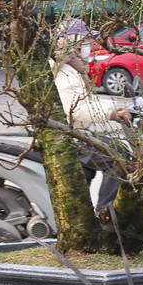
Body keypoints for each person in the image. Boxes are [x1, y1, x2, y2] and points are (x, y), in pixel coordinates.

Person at [52, 33, 133, 210]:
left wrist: (120, 108)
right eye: (84, 42)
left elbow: (89, 102)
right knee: (118, 158)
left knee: (119, 148)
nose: (88, 45)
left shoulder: (72, 69)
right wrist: (112, 113)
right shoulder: (63, 73)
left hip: (79, 134)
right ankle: (105, 213)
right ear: (73, 44)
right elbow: (76, 109)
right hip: (71, 138)